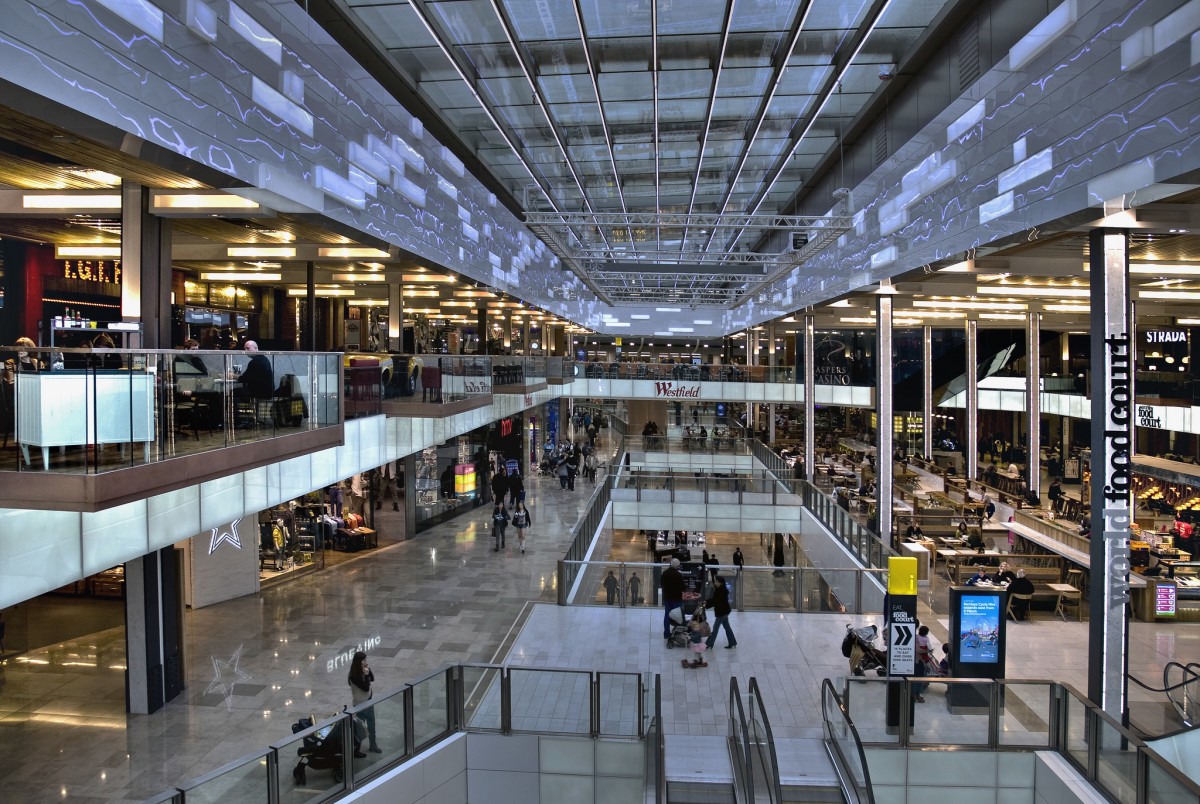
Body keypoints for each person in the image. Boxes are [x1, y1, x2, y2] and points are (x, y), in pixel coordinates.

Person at [347, 651, 380, 756]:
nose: (366, 662)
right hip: (360, 705)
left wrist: (368, 671)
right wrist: (366, 675)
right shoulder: (353, 676)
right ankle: (356, 750)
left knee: (372, 725)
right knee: (360, 729)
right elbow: (365, 688)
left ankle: (373, 744)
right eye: (364, 660)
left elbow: (373, 679)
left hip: (369, 702)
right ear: (358, 662)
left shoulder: (363, 670)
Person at [704, 576, 737, 650]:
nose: (715, 583)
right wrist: (706, 602)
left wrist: (706, 603)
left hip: (722, 612)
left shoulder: (719, 591)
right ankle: (732, 642)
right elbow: (715, 600)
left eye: (716, 581)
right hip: (725, 611)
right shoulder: (722, 590)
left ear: (721, 583)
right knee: (727, 627)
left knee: (715, 629)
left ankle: (709, 644)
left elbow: (715, 601)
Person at [661, 558, 685, 642]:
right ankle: (677, 633)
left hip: (667, 598)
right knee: (678, 615)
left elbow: (662, 584)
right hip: (677, 599)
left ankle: (666, 634)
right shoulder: (678, 575)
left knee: (667, 615)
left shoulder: (665, 573)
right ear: (677, 566)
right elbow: (683, 587)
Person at [912, 625, 932, 702]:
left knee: (916, 677)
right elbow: (918, 650)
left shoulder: (916, 637)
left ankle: (915, 694)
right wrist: (927, 651)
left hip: (916, 660)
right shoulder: (925, 639)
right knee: (919, 677)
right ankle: (916, 694)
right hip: (919, 660)